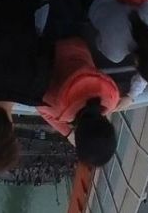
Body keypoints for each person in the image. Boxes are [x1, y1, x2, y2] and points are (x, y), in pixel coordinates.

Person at [37, 37, 120, 166]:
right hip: (47, 42)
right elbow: (38, 104)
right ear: (77, 136)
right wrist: (67, 131)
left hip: (79, 42)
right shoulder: (59, 107)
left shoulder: (112, 96)